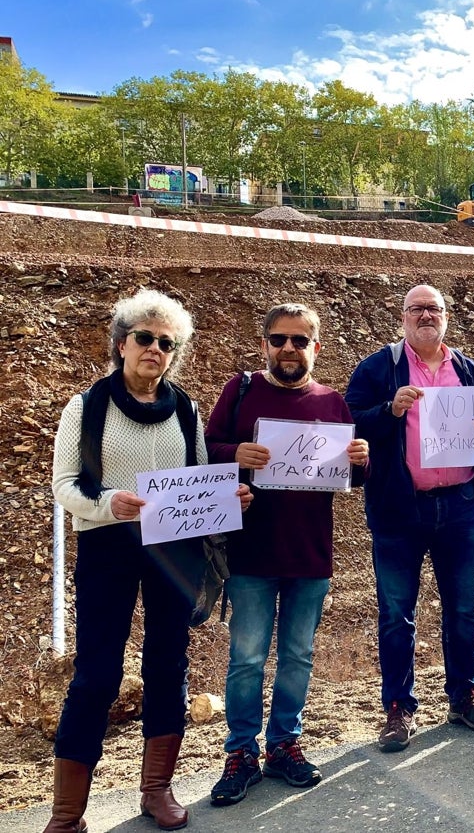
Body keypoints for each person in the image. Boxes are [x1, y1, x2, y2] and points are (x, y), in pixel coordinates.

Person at [47, 289, 251, 832]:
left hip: (174, 551)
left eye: (167, 342)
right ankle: (67, 814)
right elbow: (64, 486)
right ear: (121, 344)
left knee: (167, 664)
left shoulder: (185, 409)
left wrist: (226, 498)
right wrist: (107, 503)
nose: (156, 349)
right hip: (107, 549)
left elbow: (201, 480)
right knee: (96, 674)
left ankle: (156, 790)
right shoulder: (85, 407)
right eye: (145, 338)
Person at [205, 304, 369, 806]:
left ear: (316, 348)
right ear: (264, 346)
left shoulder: (334, 401)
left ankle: (284, 746)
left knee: (297, 657)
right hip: (251, 553)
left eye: (300, 340)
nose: (289, 349)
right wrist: (234, 454)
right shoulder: (240, 391)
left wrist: (362, 459)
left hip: (310, 554)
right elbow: (203, 448)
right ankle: (240, 753)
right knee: (247, 659)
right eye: (279, 339)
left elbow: (352, 478)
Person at [345, 284, 474, 754]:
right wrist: (389, 411)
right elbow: (349, 422)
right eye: (417, 309)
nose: (426, 316)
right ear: (403, 317)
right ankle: (398, 707)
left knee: (463, 609)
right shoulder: (378, 368)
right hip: (400, 507)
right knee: (397, 615)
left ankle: (464, 695)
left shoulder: (468, 370)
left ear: (445, 316)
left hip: (459, 505)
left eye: (433, 309)